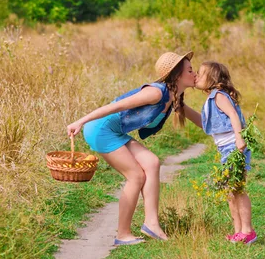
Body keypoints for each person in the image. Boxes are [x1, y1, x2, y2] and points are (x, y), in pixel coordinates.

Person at [66, 52, 196, 246]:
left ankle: (151, 224)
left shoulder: (174, 97)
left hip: (114, 130)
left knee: (152, 162)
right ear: (177, 75)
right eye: (191, 70)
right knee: (136, 176)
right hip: (101, 129)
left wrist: (231, 132)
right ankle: (123, 234)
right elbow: (115, 106)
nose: (195, 74)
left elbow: (202, 121)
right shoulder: (156, 92)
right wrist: (81, 121)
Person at [184, 61, 257, 245]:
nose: (196, 76)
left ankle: (248, 231)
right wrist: (182, 109)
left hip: (234, 147)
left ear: (213, 78)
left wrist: (239, 138)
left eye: (200, 73)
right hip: (226, 150)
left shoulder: (219, 96)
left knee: (237, 190)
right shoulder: (210, 100)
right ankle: (238, 232)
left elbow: (233, 115)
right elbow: (204, 123)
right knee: (230, 192)